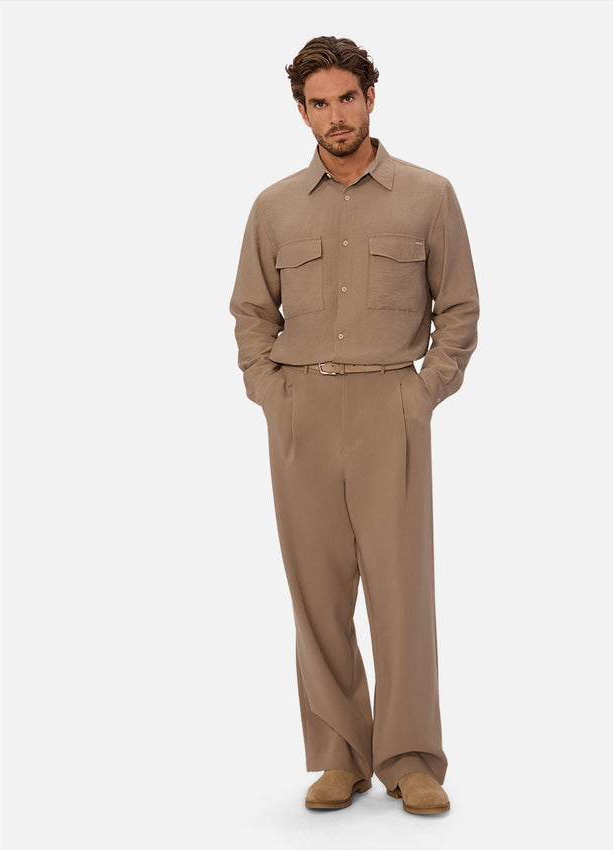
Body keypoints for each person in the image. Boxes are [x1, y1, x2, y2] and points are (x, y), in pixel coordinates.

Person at [229, 36, 479, 815]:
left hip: (389, 406)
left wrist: (422, 394)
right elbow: (251, 313)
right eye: (319, 103)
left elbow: (459, 308)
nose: (335, 116)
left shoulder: (428, 195)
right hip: (300, 410)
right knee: (317, 591)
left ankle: (410, 759)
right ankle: (339, 754)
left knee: (403, 591)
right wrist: (271, 393)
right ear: (301, 111)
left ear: (371, 97)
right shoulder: (273, 207)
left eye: (346, 98)